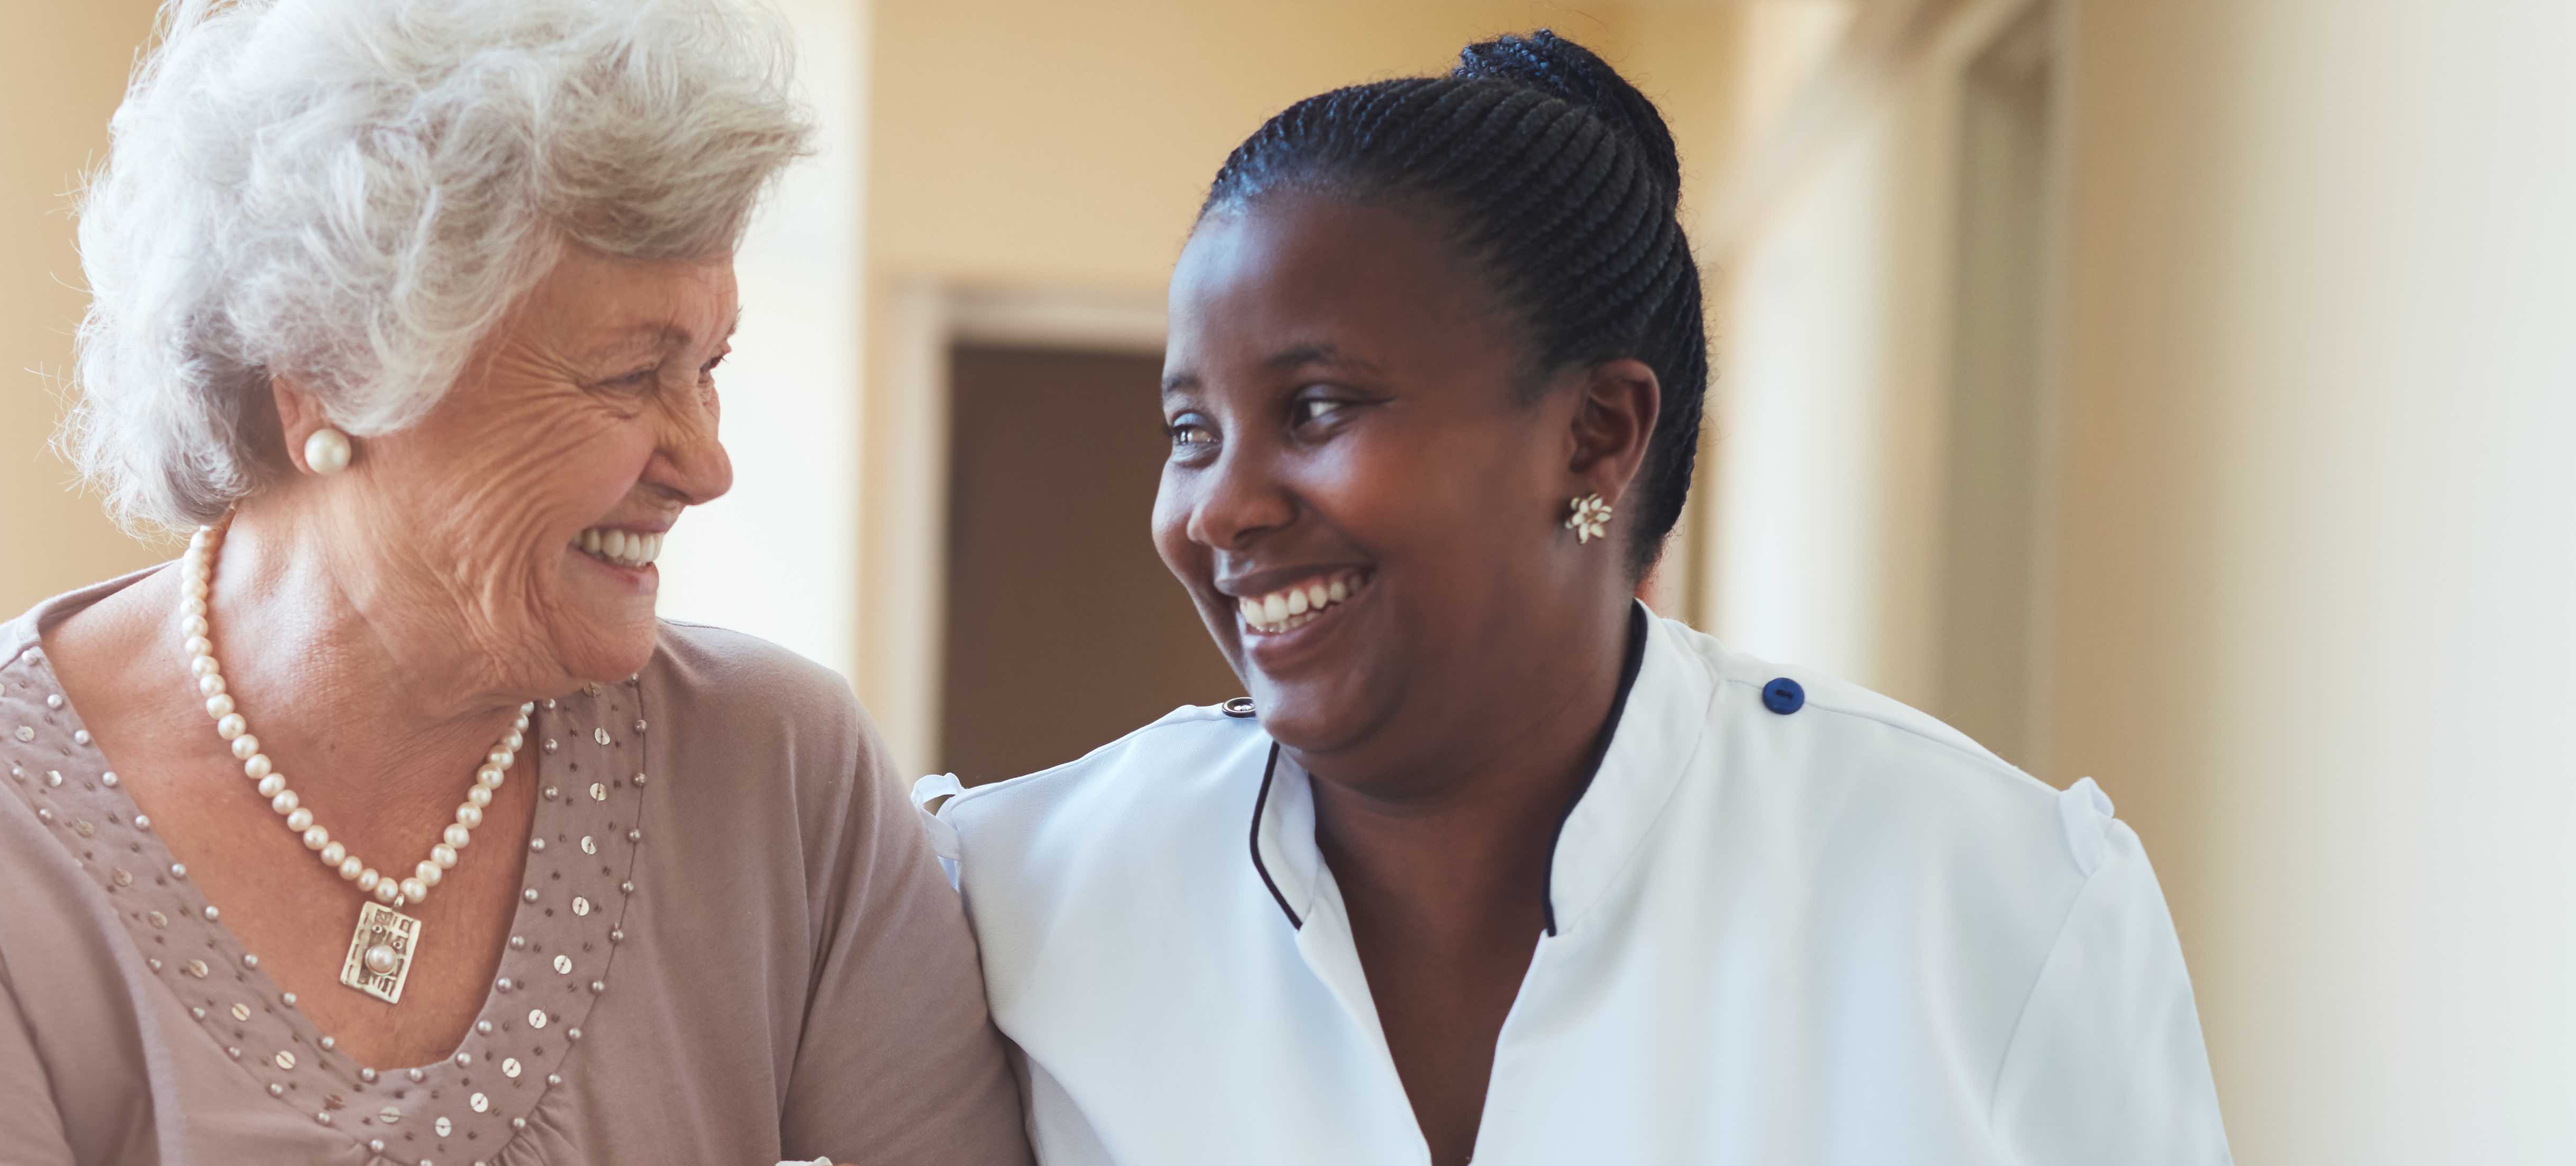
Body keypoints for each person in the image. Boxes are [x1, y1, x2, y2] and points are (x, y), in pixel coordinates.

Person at [0, 2, 1027, 1163]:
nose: (705, 461)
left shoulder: (776, 775)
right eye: (629, 377)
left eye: (710, 369)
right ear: (328, 376)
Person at [926, 30, 2229, 1165]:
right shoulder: (1010, 903)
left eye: (1315, 408)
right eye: (1191, 431)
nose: (1217, 509)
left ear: (1595, 433)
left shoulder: (1990, 904)